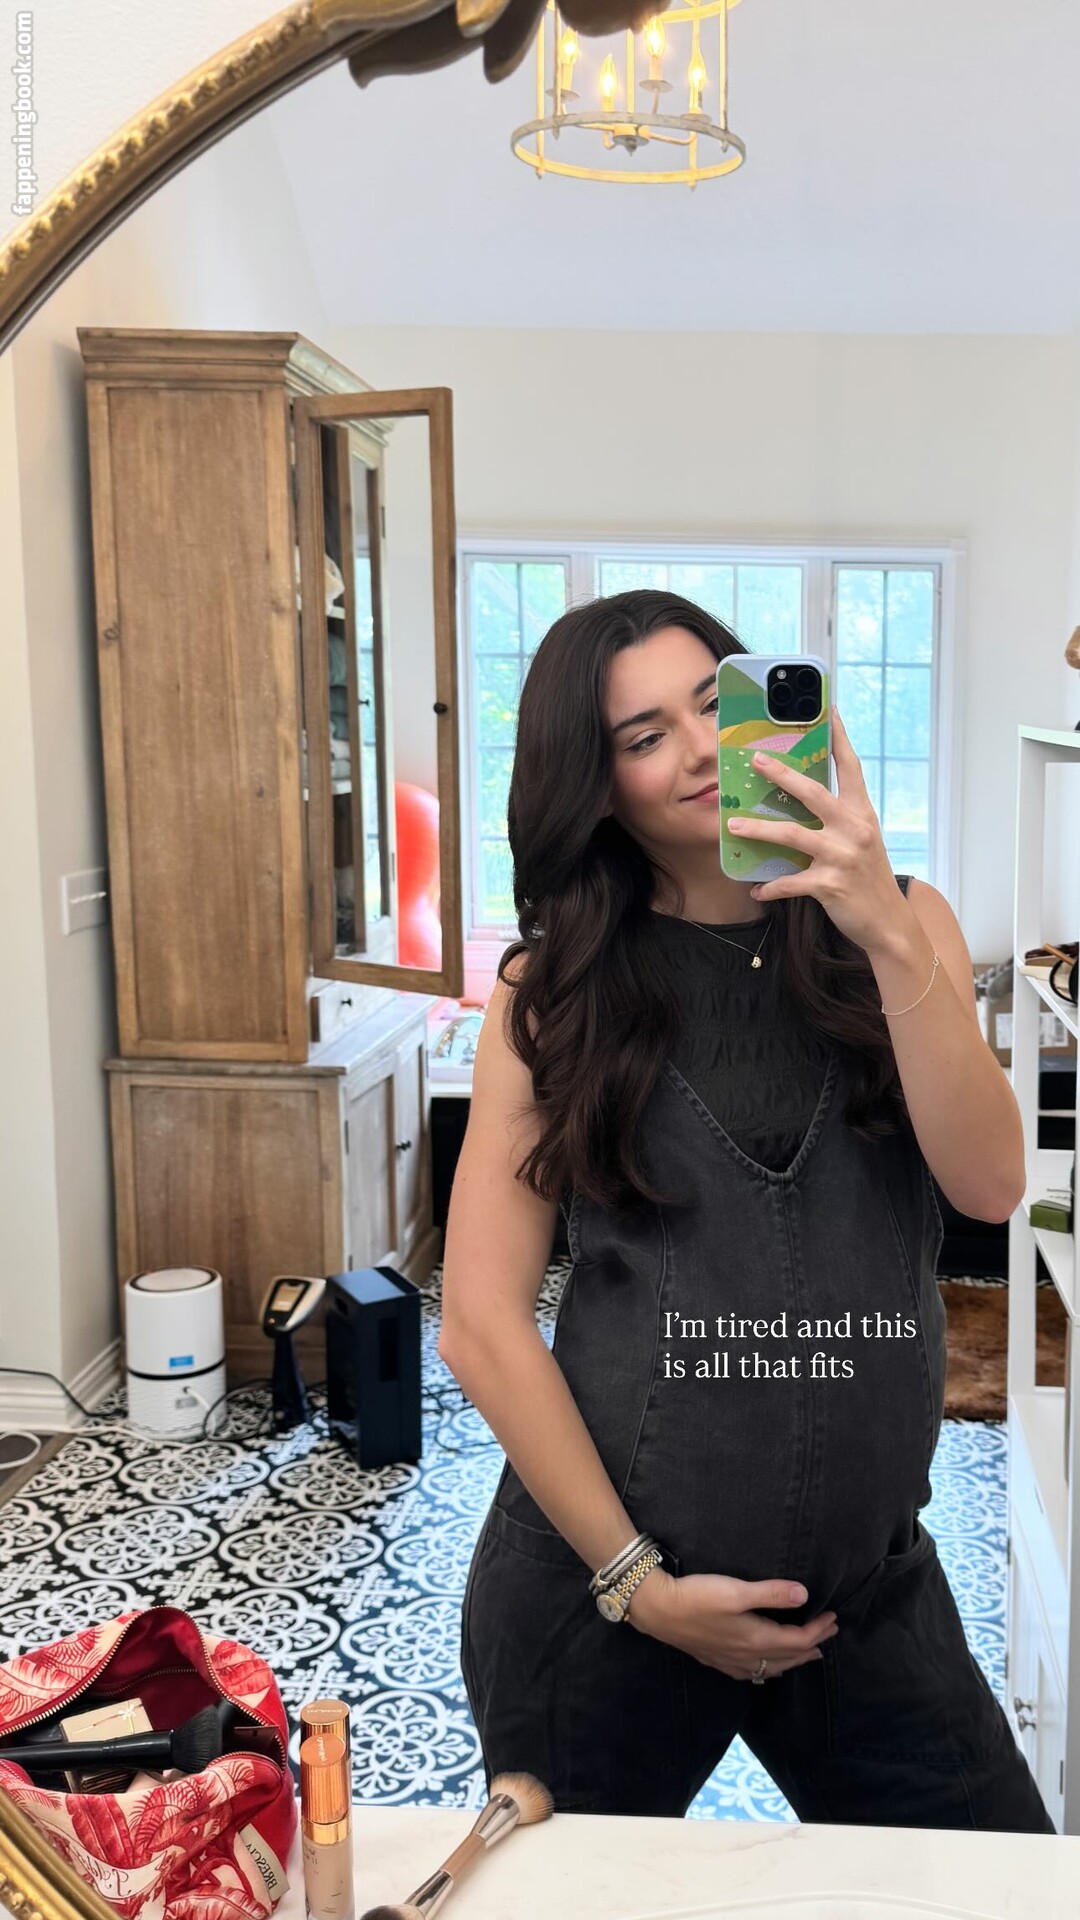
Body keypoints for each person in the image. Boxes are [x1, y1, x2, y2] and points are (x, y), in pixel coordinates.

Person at [439, 590, 1052, 1832]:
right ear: (596, 788)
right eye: (643, 735)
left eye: (712, 706)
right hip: (600, 1603)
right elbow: (481, 1323)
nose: (697, 750)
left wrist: (883, 927)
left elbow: (991, 1187)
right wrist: (638, 1586)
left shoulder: (905, 922)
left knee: (999, 1887)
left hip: (864, 1603)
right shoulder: (553, 990)